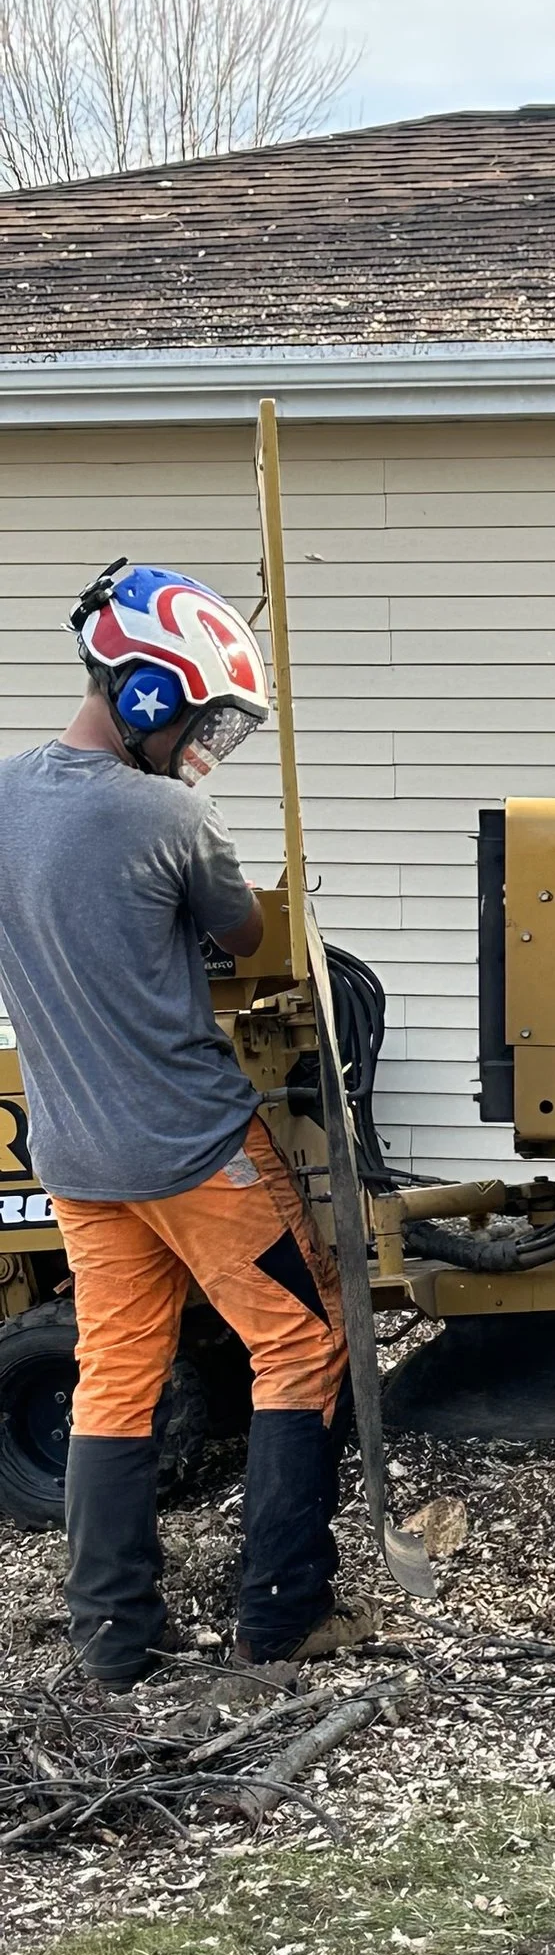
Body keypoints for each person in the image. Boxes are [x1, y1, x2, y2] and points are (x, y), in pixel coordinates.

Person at [0, 558, 360, 1685]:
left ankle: (114, 1640)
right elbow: (245, 937)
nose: (202, 744)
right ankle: (283, 1618)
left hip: (75, 1152)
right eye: (199, 720)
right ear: (148, 690)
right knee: (300, 1342)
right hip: (196, 1150)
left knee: (115, 1369)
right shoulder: (170, 815)